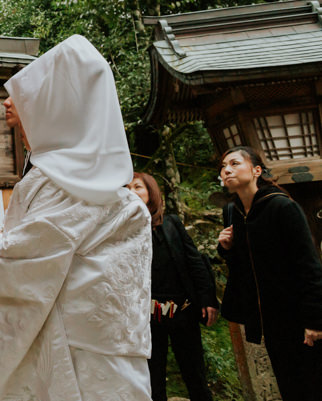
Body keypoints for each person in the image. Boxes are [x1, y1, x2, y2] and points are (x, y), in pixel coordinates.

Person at [0, 35, 152, 401]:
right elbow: (51, 241)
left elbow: (37, 255)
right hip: (109, 343)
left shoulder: (56, 183)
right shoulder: (111, 187)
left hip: (71, 348)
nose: (13, 107)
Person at [216, 146, 322, 401]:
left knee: (313, 386)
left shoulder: (282, 207)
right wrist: (226, 248)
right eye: (223, 166)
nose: (227, 169)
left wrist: (314, 320)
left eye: (234, 163)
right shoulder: (235, 214)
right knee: (289, 387)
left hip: (298, 315)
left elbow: (309, 266)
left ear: (256, 170)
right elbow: (245, 267)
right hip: (270, 320)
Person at [127, 172, 218, 401]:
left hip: (182, 310)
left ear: (151, 192)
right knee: (153, 376)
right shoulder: (124, 230)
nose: (132, 192)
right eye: (127, 188)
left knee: (195, 372)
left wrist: (207, 299)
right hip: (147, 316)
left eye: (138, 187)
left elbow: (194, 261)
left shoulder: (171, 223)